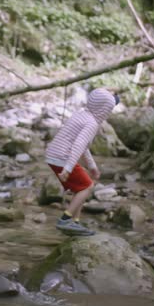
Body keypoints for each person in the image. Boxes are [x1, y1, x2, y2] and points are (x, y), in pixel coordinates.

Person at [45, 88, 118, 236]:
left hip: (54, 155)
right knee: (87, 186)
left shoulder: (82, 114)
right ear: (103, 109)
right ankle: (65, 220)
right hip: (62, 157)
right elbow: (78, 145)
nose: (108, 113)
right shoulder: (91, 123)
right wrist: (68, 168)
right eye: (109, 109)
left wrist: (92, 166)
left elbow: (82, 147)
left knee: (80, 188)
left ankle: (75, 222)